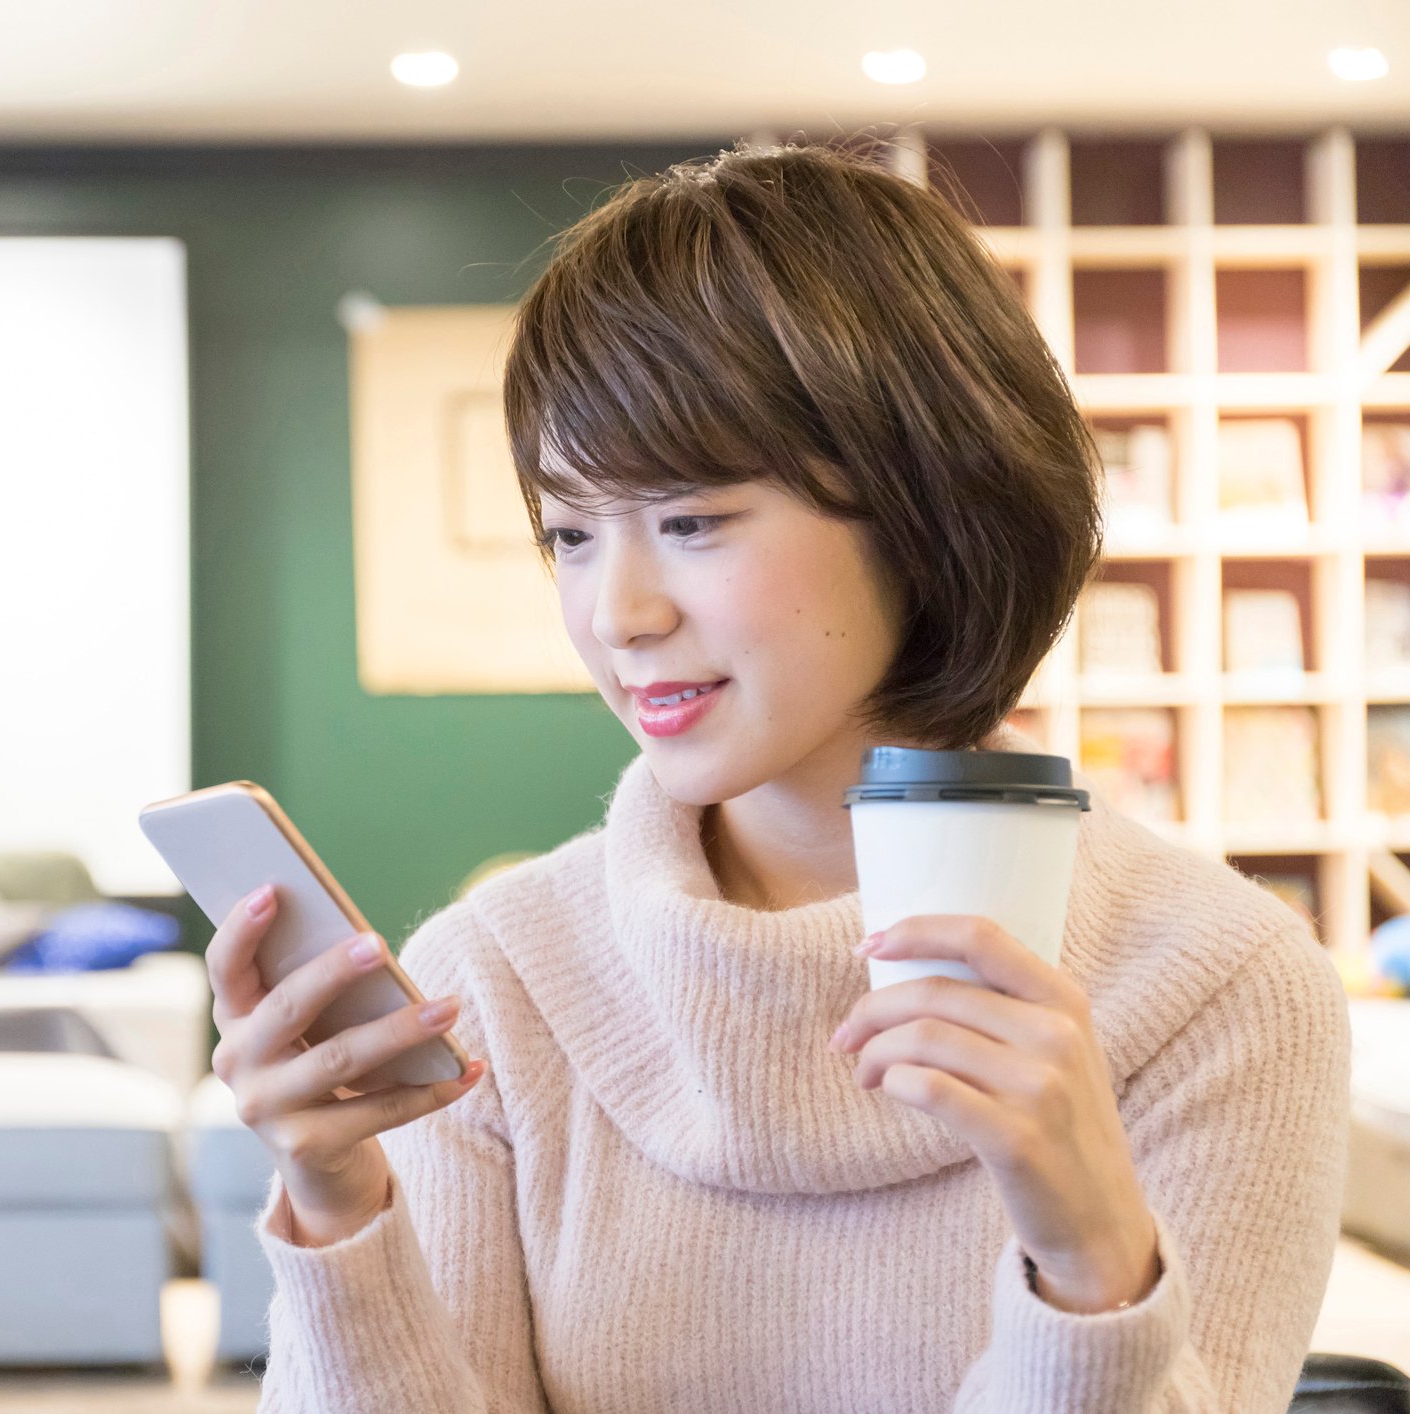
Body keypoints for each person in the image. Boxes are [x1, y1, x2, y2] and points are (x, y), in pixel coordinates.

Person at [205, 138, 1351, 1412]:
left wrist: (1090, 1263)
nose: (618, 613)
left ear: (927, 504)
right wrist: (340, 1206)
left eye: (690, 520)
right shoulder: (496, 985)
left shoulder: (1219, 990)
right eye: (571, 535)